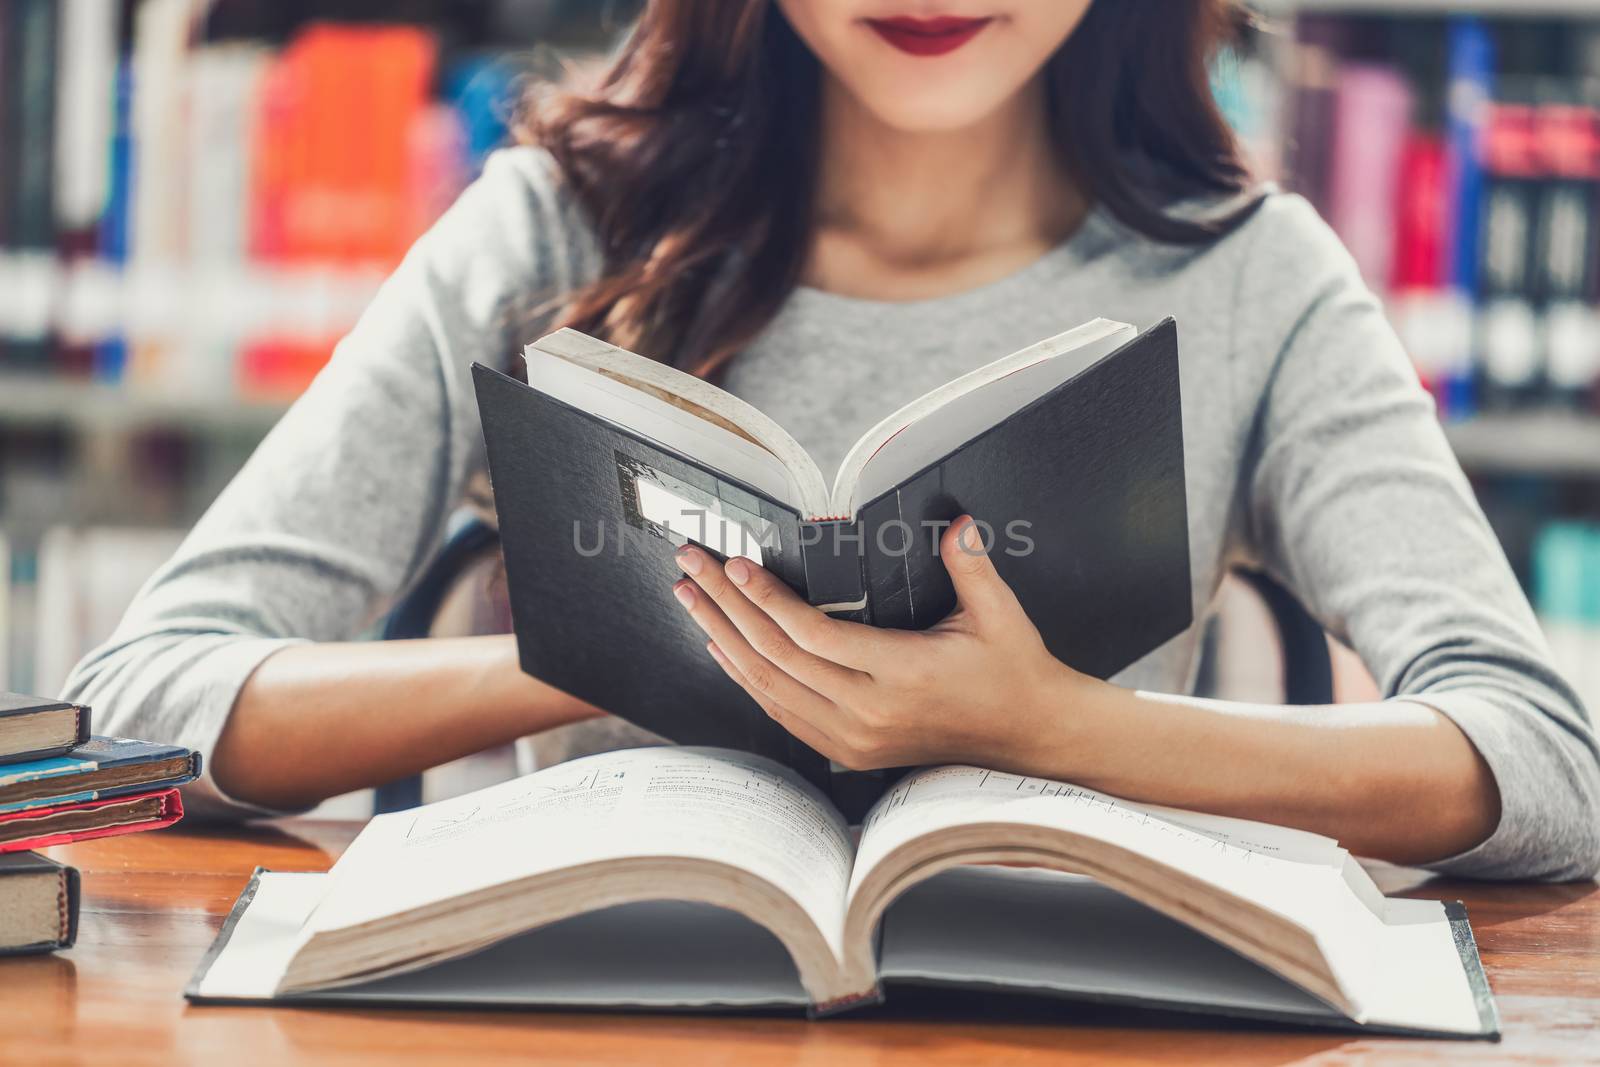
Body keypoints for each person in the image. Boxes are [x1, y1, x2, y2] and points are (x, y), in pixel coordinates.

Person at [64, 0, 1599, 879]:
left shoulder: (1253, 276)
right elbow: (131, 709)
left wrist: (1061, 729)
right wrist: (602, 644)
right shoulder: (552, 228)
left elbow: (1544, 764)